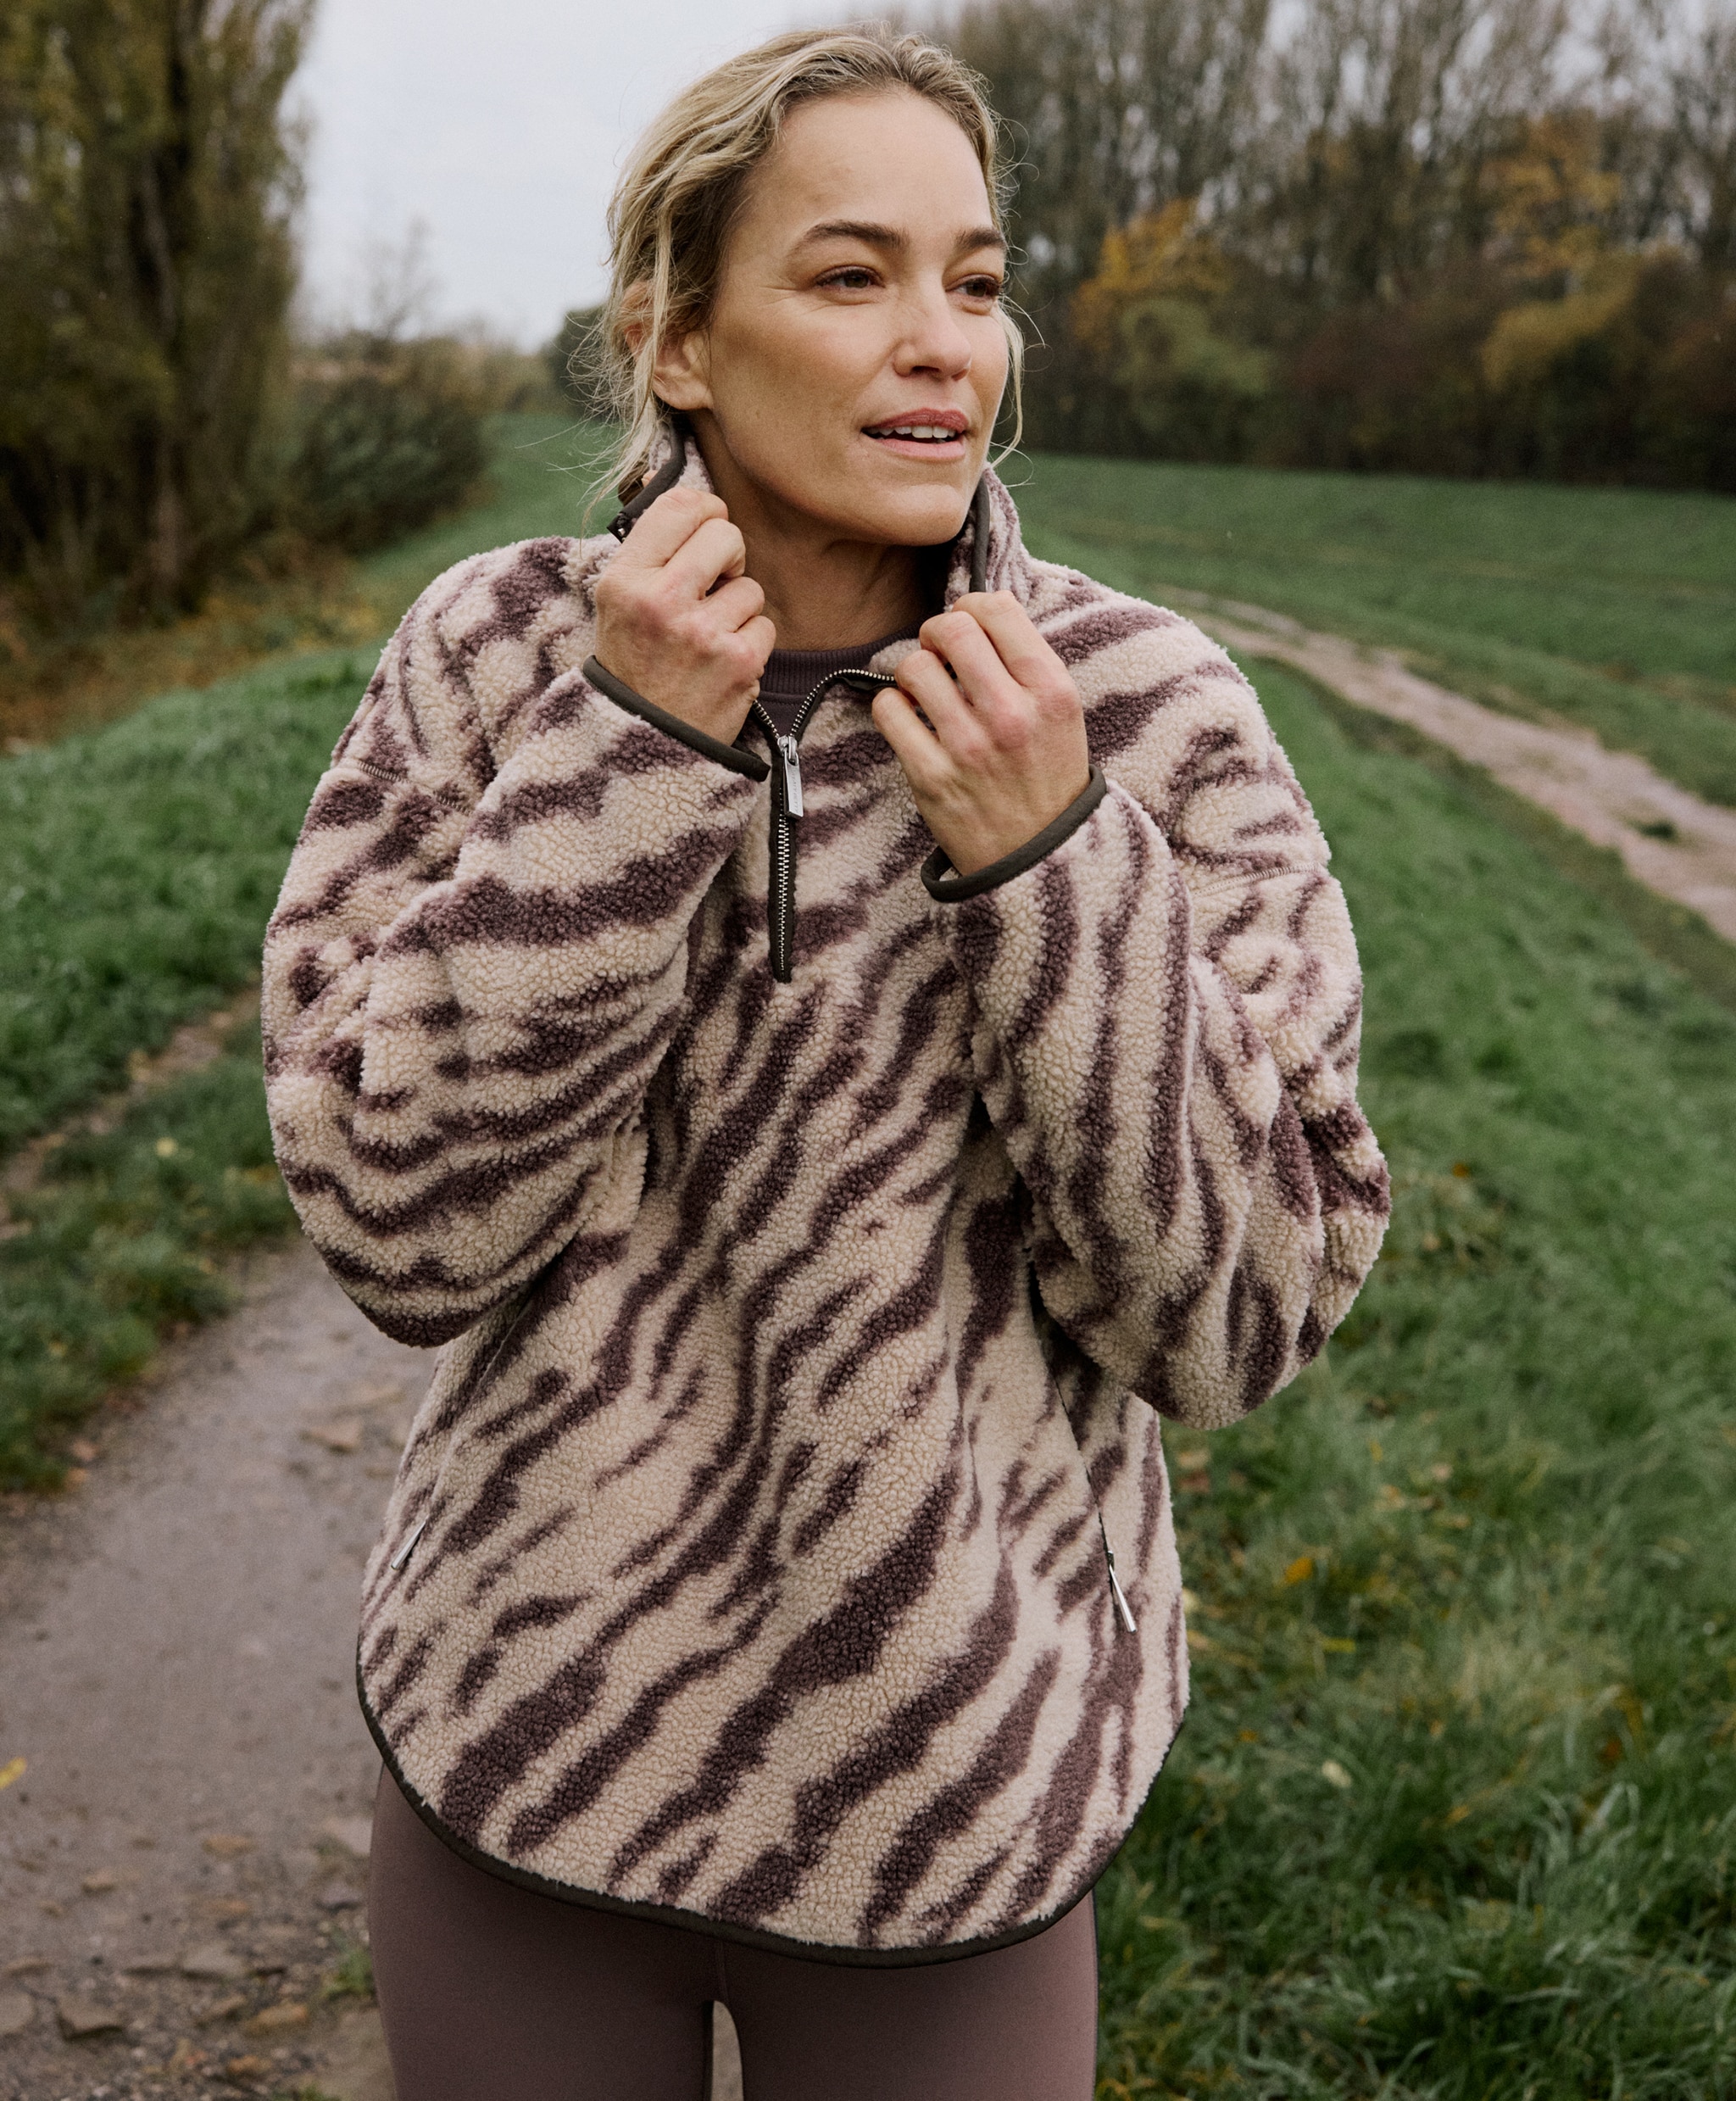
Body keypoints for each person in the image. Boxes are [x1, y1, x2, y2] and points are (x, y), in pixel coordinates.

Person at [260, 25, 1390, 2100]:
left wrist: (1053, 861)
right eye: (850, 276)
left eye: (973, 279)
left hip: (949, 1802)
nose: (939, 343)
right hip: (526, 1754)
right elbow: (389, 1229)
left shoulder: (1144, 709)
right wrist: (626, 759)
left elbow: (1241, 1319)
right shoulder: (496, 661)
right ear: (675, 338)